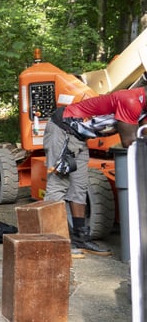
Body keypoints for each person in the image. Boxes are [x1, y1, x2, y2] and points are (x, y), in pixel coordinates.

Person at [44, 85, 147, 257]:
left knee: (79, 187)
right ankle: (55, 242)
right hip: (62, 129)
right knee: (58, 186)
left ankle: (80, 238)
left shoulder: (143, 105)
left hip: (80, 136)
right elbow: (130, 143)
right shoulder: (131, 100)